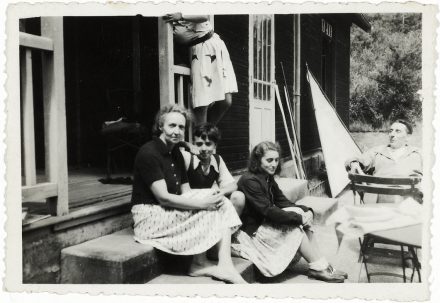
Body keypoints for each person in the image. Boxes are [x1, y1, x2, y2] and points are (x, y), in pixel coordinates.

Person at [130, 104, 246, 283]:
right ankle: (205, 264)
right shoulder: (149, 153)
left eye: (181, 127)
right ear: (160, 126)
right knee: (208, 206)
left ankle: (219, 263)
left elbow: (186, 192)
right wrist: (204, 204)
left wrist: (210, 199)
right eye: (172, 126)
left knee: (218, 201)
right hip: (148, 216)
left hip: (165, 212)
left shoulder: (175, 152)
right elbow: (164, 198)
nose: (177, 131)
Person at [232, 141, 348, 282]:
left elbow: (283, 202)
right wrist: (298, 219)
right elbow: (268, 211)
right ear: (258, 160)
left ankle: (321, 264)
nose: (273, 164)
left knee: (299, 214)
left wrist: (307, 211)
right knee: (295, 228)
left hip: (264, 224)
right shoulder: (249, 180)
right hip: (252, 232)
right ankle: (317, 267)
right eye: (269, 160)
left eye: (276, 160)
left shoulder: (267, 177)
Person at [163, 13, 237, 125]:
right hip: (198, 51)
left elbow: (204, 15)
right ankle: (202, 136)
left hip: (212, 44)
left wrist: (181, 16)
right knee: (203, 102)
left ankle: (206, 134)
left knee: (226, 101)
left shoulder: (183, 10)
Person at [346, 119, 422, 203]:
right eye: (390, 131)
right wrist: (353, 163)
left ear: (408, 137)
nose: (392, 134)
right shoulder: (377, 151)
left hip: (408, 201)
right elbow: (355, 159)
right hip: (379, 200)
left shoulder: (417, 153)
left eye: (398, 131)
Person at [181, 123, 245, 215]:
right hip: (190, 203)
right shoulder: (188, 157)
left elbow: (232, 185)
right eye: (199, 144)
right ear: (193, 144)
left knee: (238, 196)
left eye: (208, 144)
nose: (203, 148)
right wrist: (185, 144)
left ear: (215, 145)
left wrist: (222, 191)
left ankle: (228, 228)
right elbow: (170, 147)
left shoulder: (217, 159)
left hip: (208, 201)